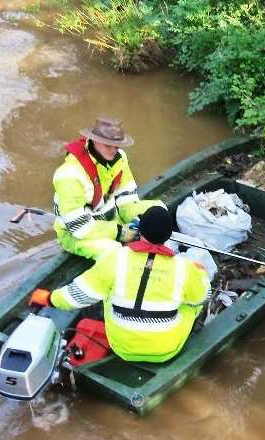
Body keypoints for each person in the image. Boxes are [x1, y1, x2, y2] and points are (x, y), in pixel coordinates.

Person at [29, 206, 211, 363]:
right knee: (192, 305)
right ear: (168, 236)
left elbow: (79, 294)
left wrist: (49, 299)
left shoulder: (115, 258)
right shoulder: (185, 268)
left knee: (107, 293)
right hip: (166, 350)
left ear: (141, 231)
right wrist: (200, 273)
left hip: (122, 347)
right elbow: (204, 296)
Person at [53, 117, 166, 260]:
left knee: (159, 210)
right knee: (114, 252)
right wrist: (120, 233)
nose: (113, 150)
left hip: (112, 223)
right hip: (76, 235)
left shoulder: (120, 158)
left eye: (117, 145)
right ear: (94, 140)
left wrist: (140, 220)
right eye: (108, 145)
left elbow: (127, 199)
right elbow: (79, 228)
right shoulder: (69, 174)